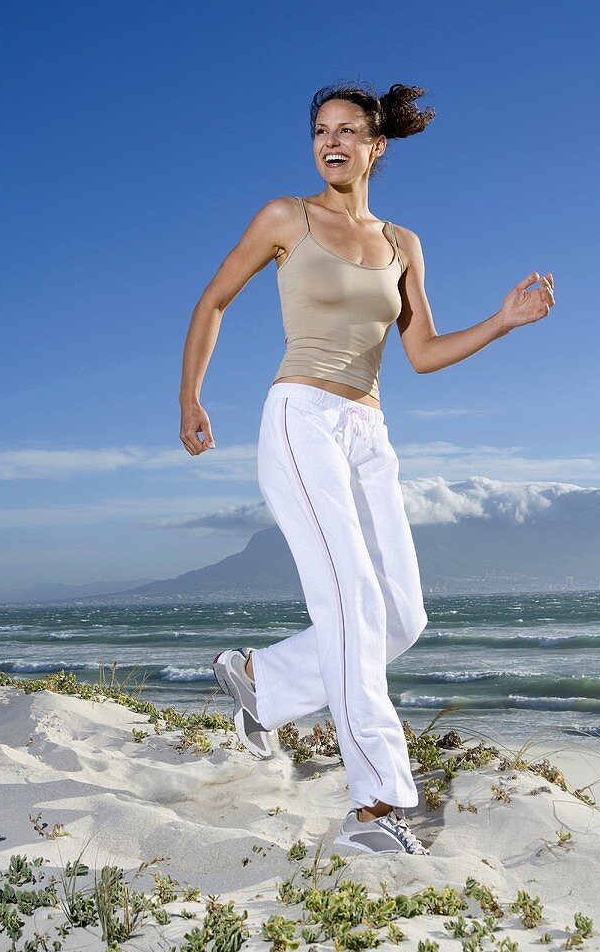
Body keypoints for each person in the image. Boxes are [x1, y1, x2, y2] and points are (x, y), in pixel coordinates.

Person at [179, 81, 555, 856]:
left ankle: (263, 678)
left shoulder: (402, 244)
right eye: (321, 130)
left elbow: (420, 353)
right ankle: (377, 808)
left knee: (402, 617)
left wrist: (504, 321)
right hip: (299, 419)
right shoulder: (287, 217)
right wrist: (191, 397)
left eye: (349, 131)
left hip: (368, 431)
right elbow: (212, 301)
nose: (333, 142)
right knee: (349, 598)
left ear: (378, 146)